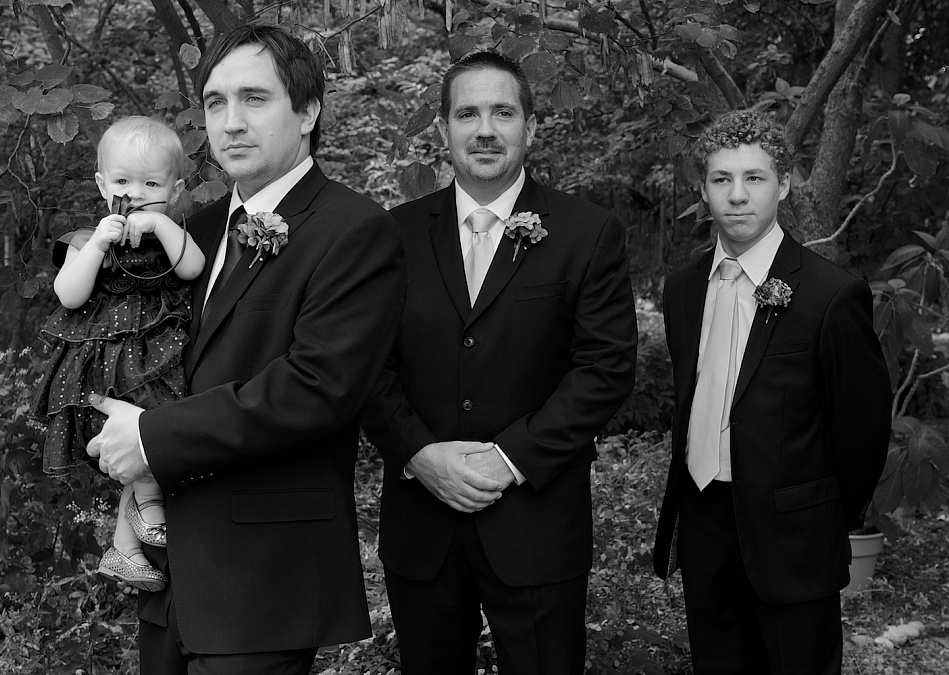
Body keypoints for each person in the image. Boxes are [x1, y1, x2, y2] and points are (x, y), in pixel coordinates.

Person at [84, 23, 405, 674]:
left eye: (254, 99)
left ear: (308, 110)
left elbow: (316, 389)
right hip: (170, 573)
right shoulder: (192, 232)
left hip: (263, 577)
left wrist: (151, 435)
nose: (230, 122)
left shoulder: (355, 230)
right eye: (215, 102)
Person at [362, 51, 638, 674]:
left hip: (537, 524)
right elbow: (365, 367)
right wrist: (418, 453)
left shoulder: (588, 233)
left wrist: (508, 458)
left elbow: (605, 369)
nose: (485, 128)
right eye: (467, 113)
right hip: (421, 523)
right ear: (443, 130)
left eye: (502, 112)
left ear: (530, 127)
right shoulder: (391, 236)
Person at [651, 109, 892, 674]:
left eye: (754, 178)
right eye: (721, 179)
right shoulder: (684, 289)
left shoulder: (831, 294)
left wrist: (822, 518)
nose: (737, 195)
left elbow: (862, 429)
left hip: (792, 535)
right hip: (705, 520)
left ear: (783, 185)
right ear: (703, 188)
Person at [32, 115, 205, 592]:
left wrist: (161, 225)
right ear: (102, 184)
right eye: (124, 181)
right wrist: (96, 247)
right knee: (146, 427)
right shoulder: (85, 240)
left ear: (175, 188)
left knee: (152, 427)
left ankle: (125, 550)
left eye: (152, 183)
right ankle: (149, 507)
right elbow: (68, 296)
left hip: (155, 360)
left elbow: (192, 268)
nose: (136, 192)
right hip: (105, 366)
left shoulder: (168, 235)